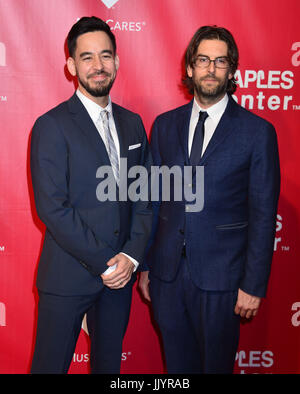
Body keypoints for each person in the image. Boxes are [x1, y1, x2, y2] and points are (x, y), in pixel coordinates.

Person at [139, 25, 280, 374]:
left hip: (224, 281)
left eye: (220, 61)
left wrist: (253, 284)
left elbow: (263, 215)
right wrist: (145, 266)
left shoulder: (256, 132)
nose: (211, 69)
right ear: (190, 67)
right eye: (203, 60)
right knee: (177, 368)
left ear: (231, 70)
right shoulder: (164, 126)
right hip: (167, 277)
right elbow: (152, 202)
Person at [30, 16, 152, 374]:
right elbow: (53, 208)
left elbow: (146, 195)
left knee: (108, 369)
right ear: (71, 66)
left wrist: (130, 256)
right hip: (68, 276)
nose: (98, 66)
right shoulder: (51, 125)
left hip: (120, 279)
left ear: (116, 60)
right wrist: (106, 262)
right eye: (87, 57)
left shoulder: (133, 123)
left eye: (105, 55)